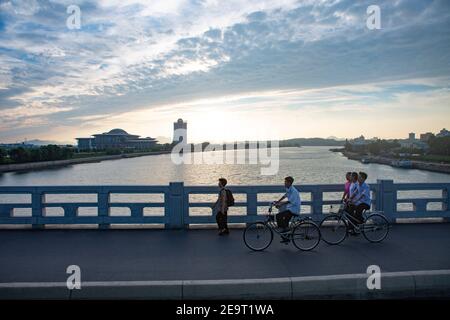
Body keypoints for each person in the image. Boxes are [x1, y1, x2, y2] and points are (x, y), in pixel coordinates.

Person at [273, 176, 301, 243]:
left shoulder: (294, 191)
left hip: (294, 209)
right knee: (285, 221)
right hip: (290, 208)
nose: (284, 183)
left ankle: (285, 231)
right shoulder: (288, 188)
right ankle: (286, 236)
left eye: (285, 182)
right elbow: (285, 195)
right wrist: (278, 201)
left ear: (289, 183)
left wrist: (280, 204)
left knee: (279, 216)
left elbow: (290, 201)